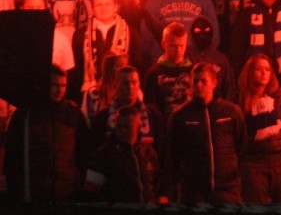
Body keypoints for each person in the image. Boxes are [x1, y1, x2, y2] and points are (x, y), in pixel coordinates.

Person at [4, 65, 90, 202]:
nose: (60, 90)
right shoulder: (26, 114)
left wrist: (78, 183)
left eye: (63, 85)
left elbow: (83, 150)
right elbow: (13, 155)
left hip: (66, 192)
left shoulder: (73, 113)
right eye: (55, 85)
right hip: (35, 193)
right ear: (45, 85)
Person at [167, 62, 246, 204]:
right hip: (193, 192)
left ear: (214, 83)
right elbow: (173, 153)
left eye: (203, 81)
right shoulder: (180, 116)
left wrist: (235, 176)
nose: (198, 85)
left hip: (227, 190)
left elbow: (241, 146)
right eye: (195, 81)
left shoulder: (231, 112)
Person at [238, 53, 281, 203]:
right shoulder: (241, 98)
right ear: (250, 72)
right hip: (254, 163)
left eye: (267, 69)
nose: (264, 73)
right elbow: (240, 133)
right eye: (259, 69)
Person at [71, 0, 142, 100]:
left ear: (116, 7)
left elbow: (137, 64)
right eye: (99, 5)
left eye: (107, 4)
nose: (103, 8)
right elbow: (77, 68)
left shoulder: (131, 33)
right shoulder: (80, 35)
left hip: (122, 93)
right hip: (90, 95)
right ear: (93, 8)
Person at [83, 105, 162, 203]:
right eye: (119, 126)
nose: (123, 131)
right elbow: (90, 193)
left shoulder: (149, 153)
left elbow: (156, 183)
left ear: (138, 127)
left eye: (127, 127)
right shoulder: (103, 155)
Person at [90, 65, 165, 155]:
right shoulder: (102, 118)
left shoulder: (153, 116)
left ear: (139, 84)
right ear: (116, 85)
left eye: (134, 82)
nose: (130, 87)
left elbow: (162, 149)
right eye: (125, 83)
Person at [143, 22, 193, 118]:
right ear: (163, 44)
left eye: (181, 45)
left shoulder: (193, 71)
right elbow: (149, 108)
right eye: (173, 46)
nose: (178, 50)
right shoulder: (153, 73)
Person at [187, 16, 235, 102]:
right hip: (191, 106)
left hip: (217, 107)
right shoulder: (186, 56)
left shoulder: (221, 60)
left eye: (207, 32)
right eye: (197, 32)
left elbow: (229, 89)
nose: (202, 36)